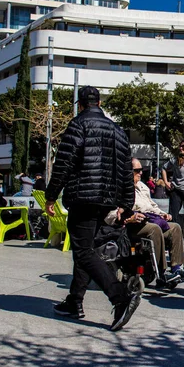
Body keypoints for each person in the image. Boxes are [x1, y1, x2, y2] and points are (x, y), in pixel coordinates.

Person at [45, 85, 138, 332]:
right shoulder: (117, 130)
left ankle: (119, 297)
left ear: (81, 104)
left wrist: (51, 195)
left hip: (83, 197)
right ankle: (74, 301)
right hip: (106, 199)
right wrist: (126, 204)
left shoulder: (78, 125)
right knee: (85, 248)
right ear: (99, 103)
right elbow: (127, 171)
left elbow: (63, 163)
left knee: (84, 251)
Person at [124, 158, 184, 284]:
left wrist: (163, 214)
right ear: (129, 171)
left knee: (175, 227)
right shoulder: (125, 188)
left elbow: (152, 205)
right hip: (134, 224)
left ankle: (176, 268)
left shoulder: (143, 187)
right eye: (137, 171)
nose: (141, 173)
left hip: (149, 218)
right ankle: (161, 272)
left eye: (141, 170)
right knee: (154, 229)